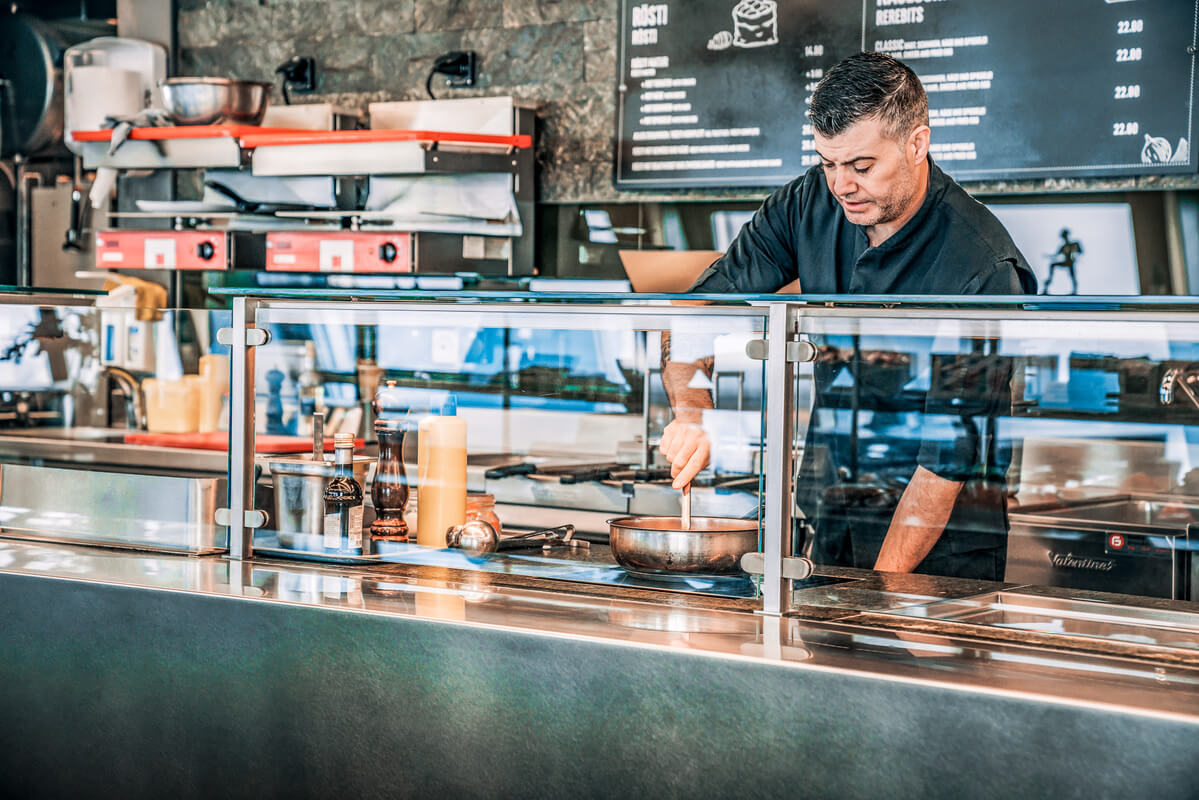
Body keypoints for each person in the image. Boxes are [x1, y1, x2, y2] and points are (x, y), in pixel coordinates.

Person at [658, 52, 1037, 580]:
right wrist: (692, 412)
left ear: (917, 144)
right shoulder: (807, 204)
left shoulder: (981, 268)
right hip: (832, 512)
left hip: (941, 548)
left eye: (862, 167)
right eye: (828, 163)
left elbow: (944, 465)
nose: (841, 186)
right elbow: (699, 310)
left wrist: (878, 598)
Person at [1042, 228, 1082, 295]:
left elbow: (1080, 251)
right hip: (1066, 262)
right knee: (1052, 265)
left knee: (1072, 276)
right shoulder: (1063, 246)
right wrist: (1048, 256)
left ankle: (1074, 291)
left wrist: (1075, 253)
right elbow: (1056, 255)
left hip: (1070, 263)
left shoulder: (1074, 244)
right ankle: (1048, 283)